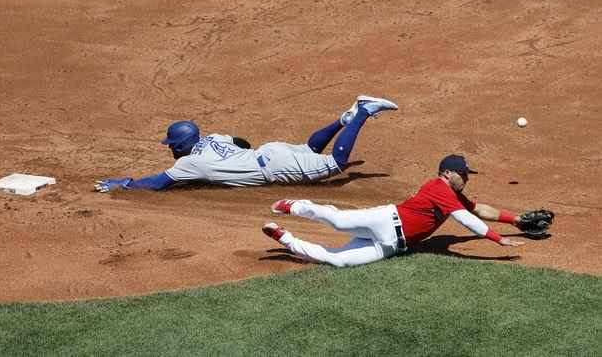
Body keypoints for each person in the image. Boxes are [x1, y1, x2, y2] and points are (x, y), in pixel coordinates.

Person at [262, 154, 538, 268]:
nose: (466, 179)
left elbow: (479, 210)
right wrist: (497, 239)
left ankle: (286, 239)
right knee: (338, 221)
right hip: (384, 220)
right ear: (448, 173)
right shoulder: (437, 187)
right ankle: (296, 206)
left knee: (339, 262)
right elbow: (465, 219)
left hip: (393, 245)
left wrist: (516, 220)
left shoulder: (454, 195)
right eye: (464, 175)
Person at [94, 95, 398, 192]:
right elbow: (241, 141)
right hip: (267, 151)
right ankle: (342, 122)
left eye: (173, 144)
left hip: (274, 166)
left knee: (335, 164)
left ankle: (363, 111)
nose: (171, 148)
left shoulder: (189, 163)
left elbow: (158, 182)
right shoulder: (212, 138)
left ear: (183, 144)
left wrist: (127, 183)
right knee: (309, 150)